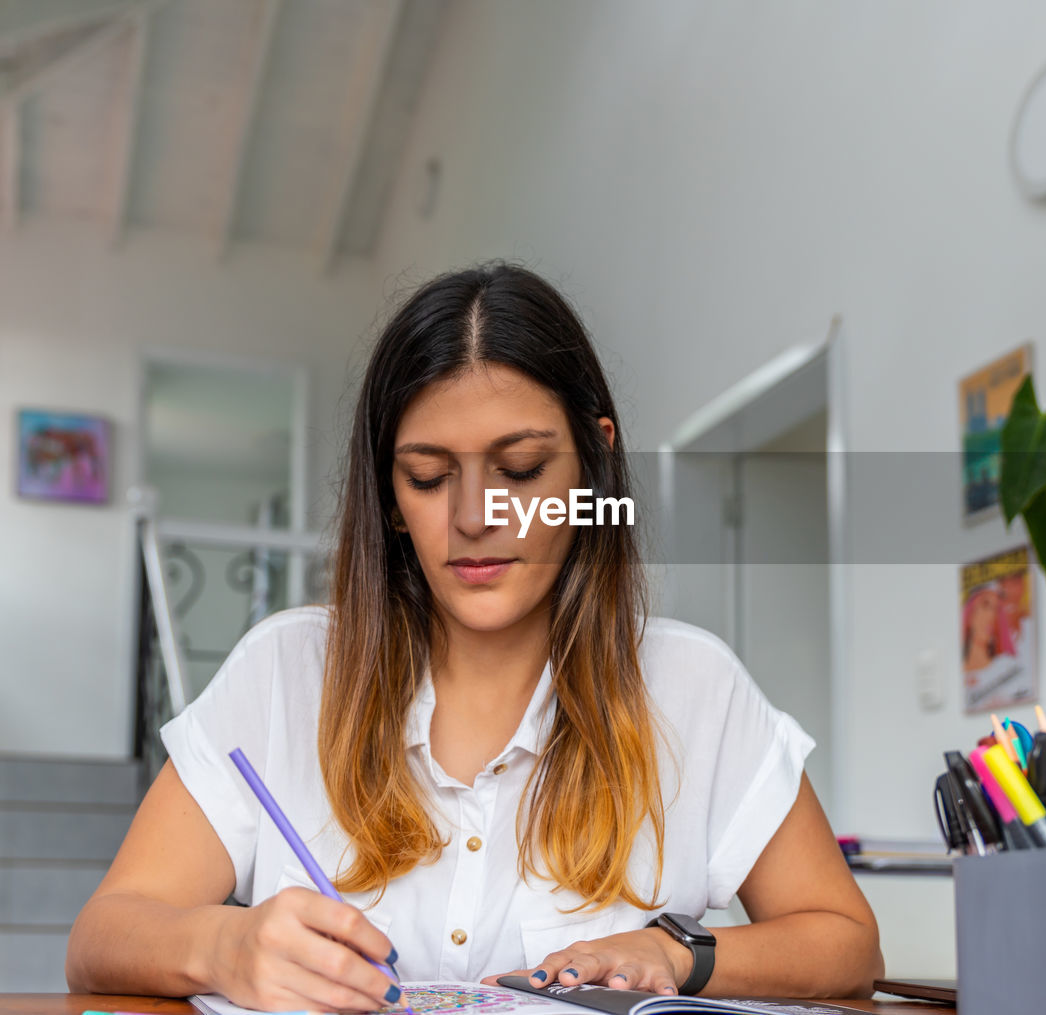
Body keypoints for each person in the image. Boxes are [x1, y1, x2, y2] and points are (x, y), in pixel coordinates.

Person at [66, 264, 883, 1012]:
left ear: (593, 465)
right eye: (426, 476)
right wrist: (224, 944)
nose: (472, 517)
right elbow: (102, 936)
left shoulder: (691, 685)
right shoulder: (285, 670)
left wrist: (677, 952)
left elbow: (847, 944)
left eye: (521, 469)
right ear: (390, 494)